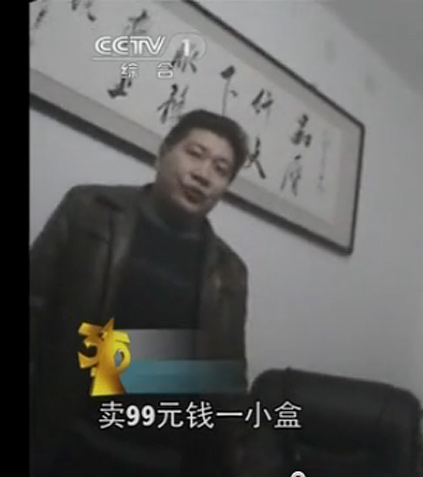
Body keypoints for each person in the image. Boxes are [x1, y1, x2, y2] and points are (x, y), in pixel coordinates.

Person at [30, 109, 280, 477]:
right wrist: (178, 364)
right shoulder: (90, 210)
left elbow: (226, 381)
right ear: (163, 153)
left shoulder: (229, 271)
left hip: (168, 461)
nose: (203, 175)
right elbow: (36, 308)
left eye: (220, 169)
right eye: (195, 154)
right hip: (68, 444)